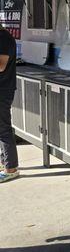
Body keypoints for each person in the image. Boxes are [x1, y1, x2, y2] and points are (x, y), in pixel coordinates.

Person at [0, 25, 19, 183]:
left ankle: (11, 169)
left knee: (3, 129)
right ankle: (4, 162)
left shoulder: (4, 38)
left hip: (2, 90)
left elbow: (1, 65)